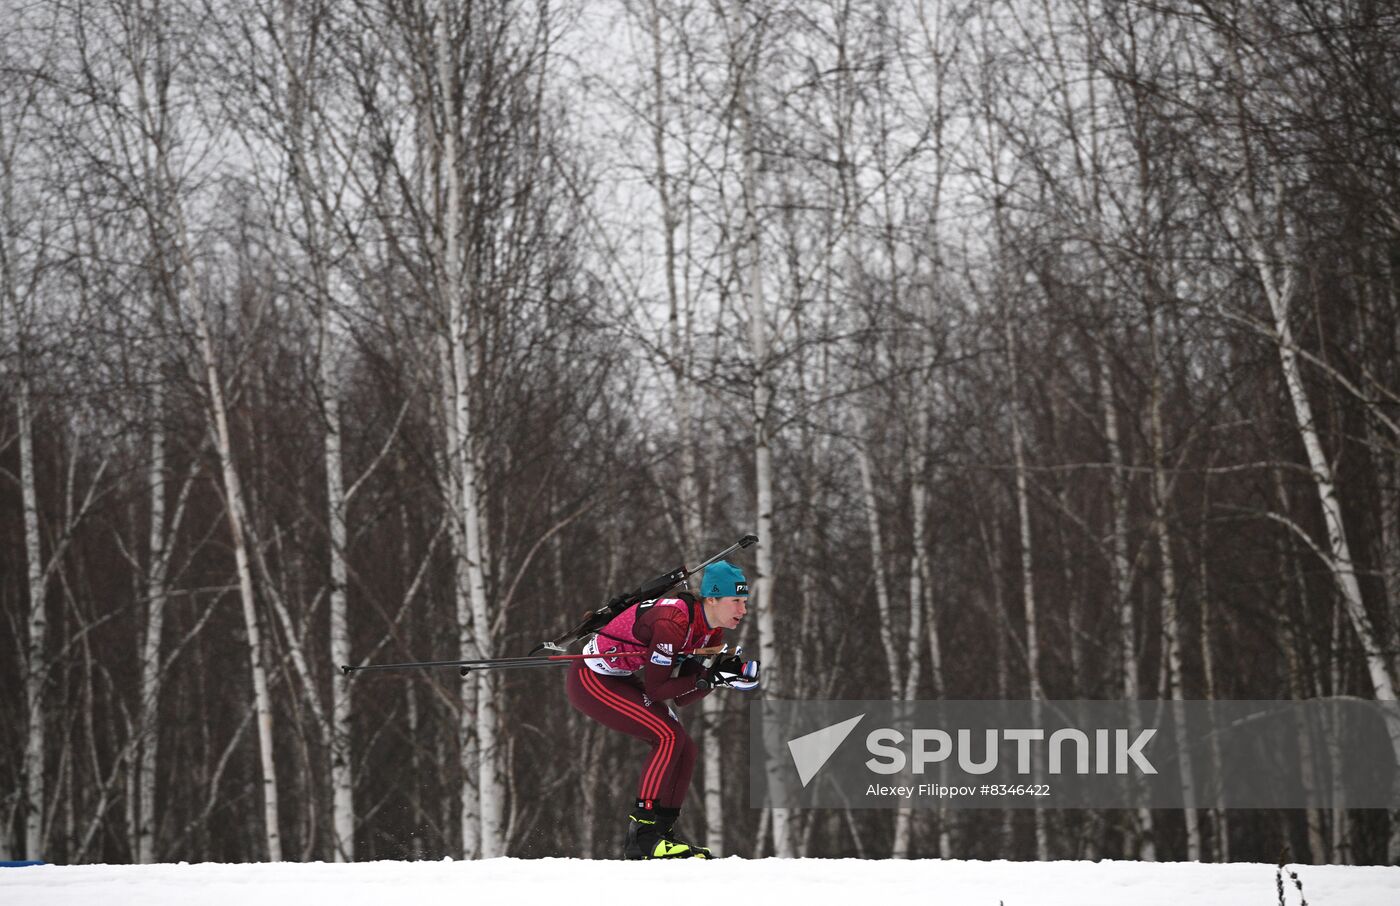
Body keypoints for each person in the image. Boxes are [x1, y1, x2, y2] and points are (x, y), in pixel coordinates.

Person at [566, 560, 761, 859]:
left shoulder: (712, 633)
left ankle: (661, 834)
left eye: (744, 602)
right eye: (736, 601)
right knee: (668, 736)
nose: (742, 610)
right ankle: (642, 838)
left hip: (619, 678)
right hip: (591, 678)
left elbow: (683, 696)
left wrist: (716, 680)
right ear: (711, 598)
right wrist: (706, 677)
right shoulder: (673, 622)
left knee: (686, 747)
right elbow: (658, 690)